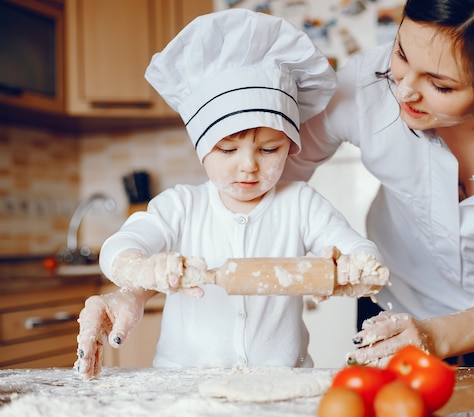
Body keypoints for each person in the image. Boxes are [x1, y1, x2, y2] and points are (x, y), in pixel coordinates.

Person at [73, 9, 389, 380]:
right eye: (227, 150)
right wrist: (146, 267)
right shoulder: (181, 206)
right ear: (202, 147)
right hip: (184, 384)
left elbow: (366, 255)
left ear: (291, 146)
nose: (249, 167)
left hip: (282, 380)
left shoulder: (301, 203)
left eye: (269, 149)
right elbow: (119, 247)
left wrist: (350, 267)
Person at [283, 0, 474, 369]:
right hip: (395, 302)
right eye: (401, 53)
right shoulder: (367, 85)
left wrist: (435, 336)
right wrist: (309, 242)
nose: (404, 91)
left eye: (440, 85)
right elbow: (285, 169)